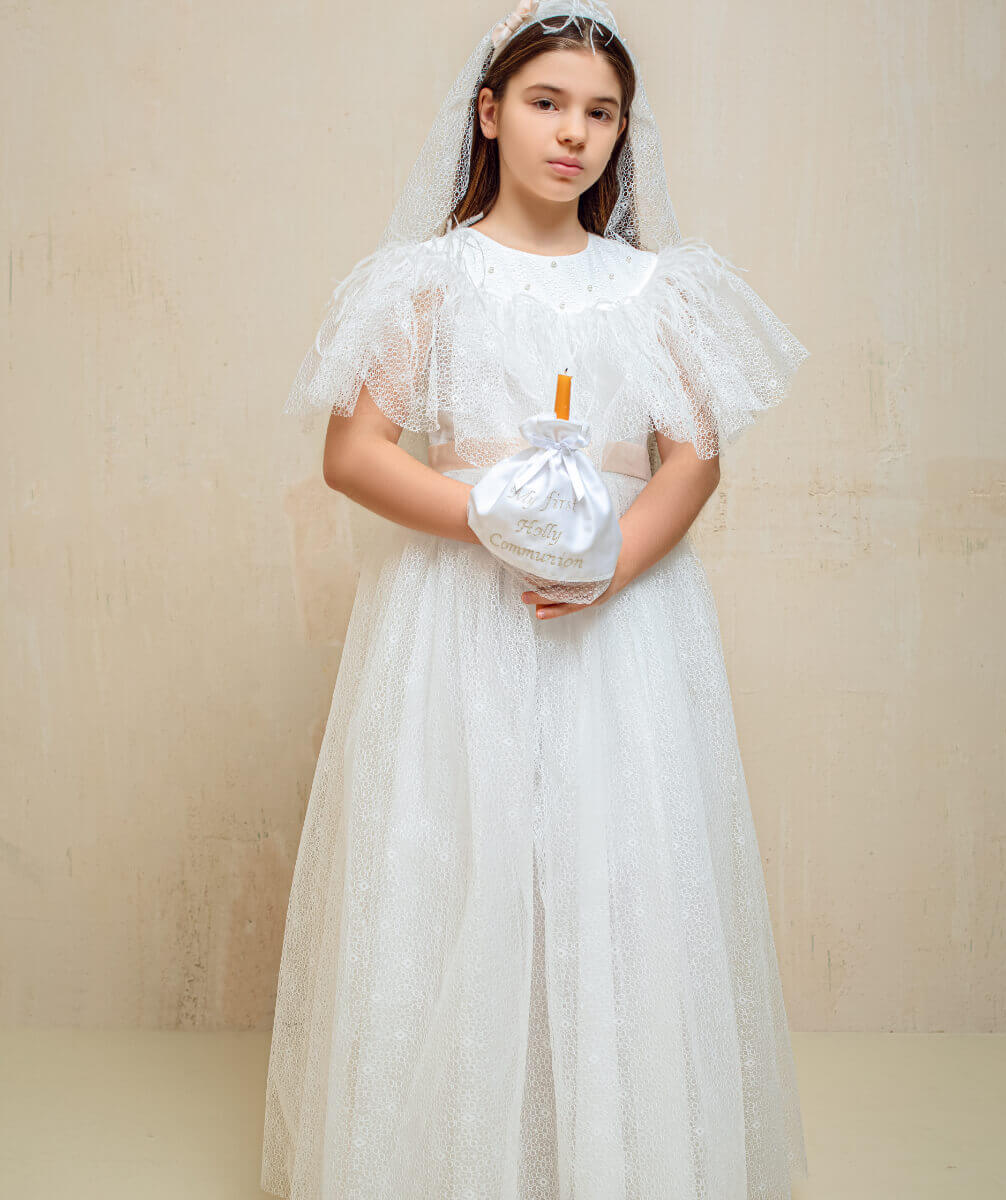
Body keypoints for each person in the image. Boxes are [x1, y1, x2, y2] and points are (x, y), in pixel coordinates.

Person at [261, 2, 811, 1196]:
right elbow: (353, 453)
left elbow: (694, 458)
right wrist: (488, 519)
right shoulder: (429, 281)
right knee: (462, 860)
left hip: (621, 628)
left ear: (624, 133)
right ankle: (454, 1157)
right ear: (491, 111)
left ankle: (608, 1154)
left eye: (601, 112)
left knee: (618, 872)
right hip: (460, 617)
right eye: (549, 103)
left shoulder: (655, 288)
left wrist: (609, 562)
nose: (574, 134)